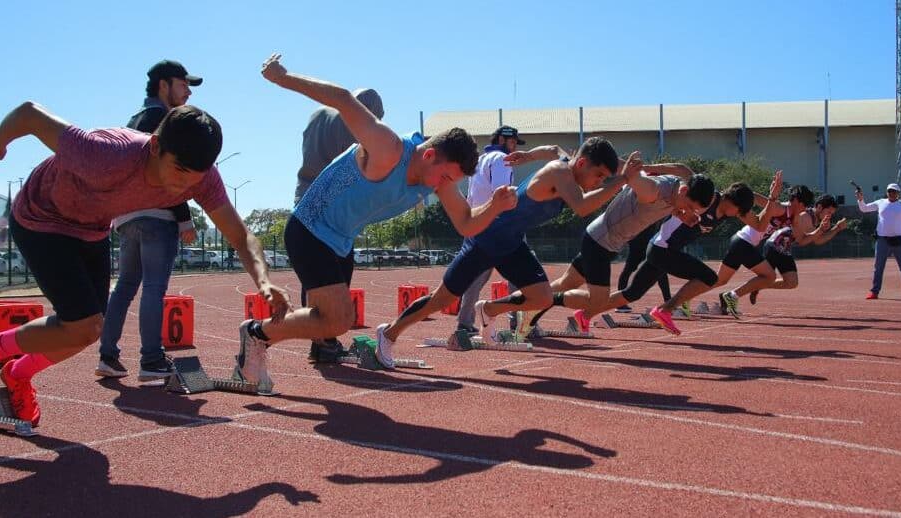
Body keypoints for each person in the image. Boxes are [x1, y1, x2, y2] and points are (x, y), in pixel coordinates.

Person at [0, 102, 289, 426]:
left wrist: (263, 280)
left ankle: (17, 373)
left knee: (88, 331)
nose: (183, 186)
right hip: (41, 217)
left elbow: (241, 236)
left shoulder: (201, 178)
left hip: (92, 229)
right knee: (82, 325)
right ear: (156, 146)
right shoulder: (106, 154)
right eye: (179, 172)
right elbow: (29, 114)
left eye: (194, 179)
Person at [234, 53, 517, 379]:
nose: (445, 186)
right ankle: (256, 334)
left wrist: (495, 206)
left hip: (340, 239)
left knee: (331, 319)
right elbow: (342, 99)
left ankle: (260, 336)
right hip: (309, 229)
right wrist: (281, 77)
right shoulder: (388, 148)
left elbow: (466, 222)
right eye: (446, 177)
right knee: (338, 320)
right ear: (429, 155)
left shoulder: (433, 179)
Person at [378, 139, 634, 361]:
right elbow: (581, 207)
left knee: (543, 297)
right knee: (441, 299)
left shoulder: (566, 162)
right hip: (487, 236)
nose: (599, 182)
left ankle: (488, 309)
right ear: (582, 164)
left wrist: (528, 156)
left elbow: (554, 148)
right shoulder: (560, 172)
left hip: (512, 243)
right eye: (598, 175)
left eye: (603, 179)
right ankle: (388, 334)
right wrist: (621, 181)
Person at [95, 60, 202, 381]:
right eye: (183, 85)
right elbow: (174, 173)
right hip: (157, 216)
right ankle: (151, 359)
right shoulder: (168, 119)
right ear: (163, 85)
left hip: (126, 216)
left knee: (125, 287)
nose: (187, 93)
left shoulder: (132, 121)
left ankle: (107, 355)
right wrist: (185, 219)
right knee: (154, 287)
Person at [518, 165, 714, 335]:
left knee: (567, 282)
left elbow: (679, 176)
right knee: (599, 302)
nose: (689, 210)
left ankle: (526, 314)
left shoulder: (677, 189)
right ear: (684, 190)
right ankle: (529, 303)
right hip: (601, 243)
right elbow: (638, 182)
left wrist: (680, 213)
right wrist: (631, 171)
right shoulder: (653, 190)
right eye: (689, 206)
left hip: (599, 237)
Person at [293, 87, 384, 363]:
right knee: (336, 274)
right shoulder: (354, 128)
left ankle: (320, 339)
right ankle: (324, 339)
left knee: (314, 275)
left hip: (305, 196)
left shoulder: (318, 115)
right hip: (333, 206)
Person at [456, 125, 526, 334]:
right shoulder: (501, 160)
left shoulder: (479, 161)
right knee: (522, 274)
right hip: (500, 224)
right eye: (513, 142)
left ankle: (465, 323)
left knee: (475, 277)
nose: (514, 148)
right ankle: (519, 321)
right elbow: (501, 194)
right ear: (502, 140)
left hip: (477, 221)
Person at [728, 193, 846, 307]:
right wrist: (831, 229)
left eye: (832, 213)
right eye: (829, 211)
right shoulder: (805, 216)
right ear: (819, 207)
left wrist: (836, 229)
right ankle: (733, 295)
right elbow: (814, 239)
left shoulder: (814, 219)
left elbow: (815, 239)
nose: (830, 215)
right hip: (775, 245)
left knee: (791, 282)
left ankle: (754, 288)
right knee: (766, 278)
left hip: (784, 248)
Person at [857, 182, 901, 300]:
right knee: (878, 267)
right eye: (890, 191)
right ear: (887, 192)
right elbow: (864, 209)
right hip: (882, 240)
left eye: (894, 191)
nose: (892, 193)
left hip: (899, 241)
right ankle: (874, 292)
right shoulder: (880, 202)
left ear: (898, 194)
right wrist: (860, 199)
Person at [613, 221, 670, 313]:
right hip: (637, 244)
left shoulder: (657, 211)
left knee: (660, 271)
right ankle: (620, 304)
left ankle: (668, 302)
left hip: (650, 244)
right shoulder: (641, 209)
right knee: (628, 271)